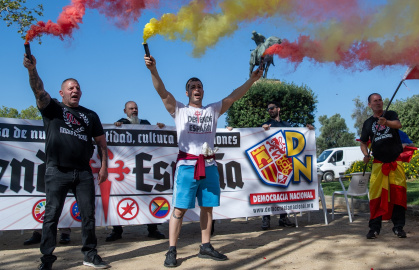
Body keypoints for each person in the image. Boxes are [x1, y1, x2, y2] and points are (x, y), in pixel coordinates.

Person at [144, 54, 263, 267]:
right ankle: (172, 250)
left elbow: (234, 96)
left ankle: (205, 246)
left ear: (203, 91)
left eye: (199, 86)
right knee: (179, 209)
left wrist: (252, 80)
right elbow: (162, 91)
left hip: (209, 165)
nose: (196, 88)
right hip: (187, 166)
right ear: (187, 92)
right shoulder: (179, 109)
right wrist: (153, 70)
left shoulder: (213, 110)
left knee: (207, 208)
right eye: (192, 86)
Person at [23, 54, 110, 269]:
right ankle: (47, 260)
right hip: (56, 171)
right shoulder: (53, 108)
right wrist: (32, 70)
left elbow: (101, 144)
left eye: (78, 88)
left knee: (88, 216)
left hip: (82, 173)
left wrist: (104, 168)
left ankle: (90, 255)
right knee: (51, 216)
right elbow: (38, 91)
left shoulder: (91, 115)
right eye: (70, 88)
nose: (75, 91)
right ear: (62, 93)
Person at [106, 100, 166, 242]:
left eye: (136, 108)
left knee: (149, 196)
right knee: (118, 196)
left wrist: (160, 127)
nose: (134, 110)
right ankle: (117, 230)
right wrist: (116, 127)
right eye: (131, 108)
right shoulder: (120, 123)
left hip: (143, 169)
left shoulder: (145, 122)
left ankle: (153, 229)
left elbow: (155, 139)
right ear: (125, 111)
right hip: (125, 171)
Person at [260, 101, 314, 230]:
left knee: (284, 191)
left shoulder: (287, 125)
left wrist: (308, 130)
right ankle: (266, 219)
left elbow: (296, 138)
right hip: (271, 162)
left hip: (284, 162)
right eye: (268, 109)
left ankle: (283, 218)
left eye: (272, 108)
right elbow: (258, 137)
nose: (270, 110)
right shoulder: (267, 124)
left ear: (278, 109)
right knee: (268, 190)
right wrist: (262, 129)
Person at [360, 93, 406, 240]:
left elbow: (398, 125)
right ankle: (374, 229)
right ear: (370, 105)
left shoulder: (390, 114)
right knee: (376, 196)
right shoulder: (367, 123)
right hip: (379, 164)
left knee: (398, 195)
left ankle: (398, 227)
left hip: (395, 162)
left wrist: (386, 122)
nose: (378, 103)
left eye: (380, 100)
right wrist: (366, 154)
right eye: (375, 101)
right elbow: (363, 142)